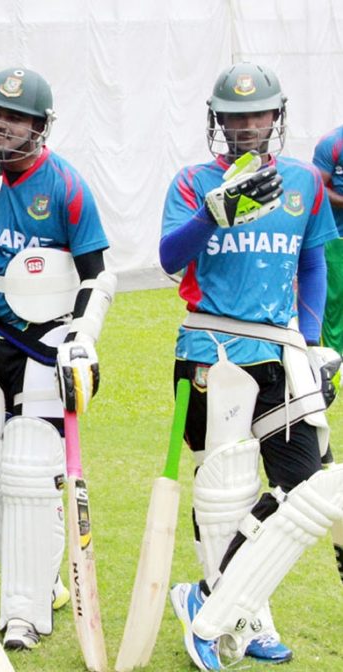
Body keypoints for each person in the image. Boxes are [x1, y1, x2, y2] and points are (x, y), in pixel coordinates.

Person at [160, 62, 342, 671]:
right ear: (218, 120)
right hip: (212, 349)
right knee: (225, 495)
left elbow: (312, 265)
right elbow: (167, 259)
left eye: (257, 114)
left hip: (283, 351)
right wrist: (212, 213)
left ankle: (211, 597)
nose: (246, 125)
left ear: (276, 117)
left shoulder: (304, 183)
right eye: (234, 116)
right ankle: (250, 620)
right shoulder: (192, 182)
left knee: (302, 489)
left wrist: (312, 344)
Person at [0, 67, 115, 652]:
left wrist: (82, 337)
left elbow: (99, 274)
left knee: (25, 474)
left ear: (39, 127)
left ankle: (21, 615)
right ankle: (42, 580)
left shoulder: (65, 185)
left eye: (14, 116)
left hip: (45, 342)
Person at [312, 127, 343, 355]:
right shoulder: (332, 143)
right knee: (334, 304)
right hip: (336, 238)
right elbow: (317, 186)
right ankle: (333, 360)